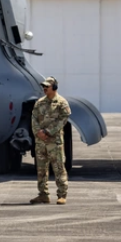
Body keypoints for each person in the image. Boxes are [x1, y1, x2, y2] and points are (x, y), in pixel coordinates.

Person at [30, 76, 71, 205]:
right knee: (41, 169)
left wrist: (48, 132)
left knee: (58, 168)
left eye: (47, 86)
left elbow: (63, 119)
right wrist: (38, 132)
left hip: (54, 142)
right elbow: (34, 118)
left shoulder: (61, 102)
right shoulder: (39, 102)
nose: (44, 88)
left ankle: (62, 195)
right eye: (44, 86)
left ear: (54, 87)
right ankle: (43, 195)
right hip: (41, 142)